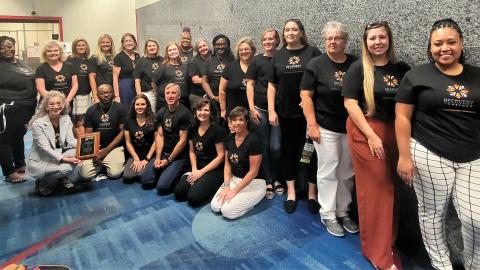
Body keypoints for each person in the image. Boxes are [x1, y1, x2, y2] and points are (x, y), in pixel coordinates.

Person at [396, 18, 480, 270]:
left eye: (451, 42)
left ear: (461, 43)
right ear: (430, 47)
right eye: (438, 43)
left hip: (473, 157)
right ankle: (440, 263)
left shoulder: (477, 75)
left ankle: (473, 265)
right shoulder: (416, 76)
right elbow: (402, 117)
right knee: (432, 213)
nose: (445, 48)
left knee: (474, 218)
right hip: (428, 153)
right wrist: (403, 157)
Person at [342, 21, 410, 270]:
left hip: (394, 130)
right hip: (365, 131)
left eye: (382, 37)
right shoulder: (358, 69)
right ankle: (377, 253)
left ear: (389, 40)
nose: (377, 42)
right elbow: (350, 104)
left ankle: (388, 243)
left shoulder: (401, 69)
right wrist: (371, 136)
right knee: (378, 190)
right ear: (365, 42)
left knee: (392, 189)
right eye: (372, 38)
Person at [300, 21, 358, 237]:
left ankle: (343, 212)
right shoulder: (316, 64)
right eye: (329, 39)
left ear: (345, 41)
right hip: (324, 127)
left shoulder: (355, 64)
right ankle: (329, 214)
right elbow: (305, 96)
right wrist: (312, 125)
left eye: (337, 38)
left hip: (350, 128)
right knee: (328, 171)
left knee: (347, 172)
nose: (333, 42)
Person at [267, 19, 321, 213]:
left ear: (301, 32)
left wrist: (309, 101)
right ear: (284, 34)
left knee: (309, 153)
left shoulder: (312, 52)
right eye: (287, 29)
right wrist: (271, 110)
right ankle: (291, 192)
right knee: (288, 152)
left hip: (308, 115)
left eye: (294, 29)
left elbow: (320, 80)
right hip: (286, 114)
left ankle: (312, 194)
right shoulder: (278, 55)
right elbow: (272, 85)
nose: (290, 32)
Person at [211, 106, 266, 219]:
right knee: (215, 207)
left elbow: (253, 172)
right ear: (230, 121)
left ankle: (251, 204)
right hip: (234, 179)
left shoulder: (254, 140)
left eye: (241, 120)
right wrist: (226, 186)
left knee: (227, 212)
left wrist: (234, 191)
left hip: (254, 183)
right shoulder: (229, 139)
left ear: (246, 122)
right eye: (234, 120)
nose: (237, 123)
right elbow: (227, 164)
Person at [246, 28, 282, 199]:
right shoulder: (256, 61)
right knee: (264, 146)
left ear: (277, 41)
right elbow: (250, 85)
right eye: (265, 39)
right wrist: (252, 108)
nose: (268, 42)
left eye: (271, 39)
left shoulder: (282, 58)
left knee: (276, 147)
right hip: (260, 109)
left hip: (279, 110)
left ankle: (278, 176)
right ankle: (270, 179)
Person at [26, 91, 81, 195]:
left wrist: (89, 145)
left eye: (59, 103)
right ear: (46, 107)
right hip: (43, 159)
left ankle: (59, 178)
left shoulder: (66, 118)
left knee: (77, 151)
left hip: (57, 154)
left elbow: (70, 140)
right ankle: (43, 182)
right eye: (52, 104)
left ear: (63, 104)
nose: (56, 106)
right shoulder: (38, 123)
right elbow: (45, 148)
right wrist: (64, 158)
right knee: (66, 169)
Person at [174, 99, 225, 206]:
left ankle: (215, 185)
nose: (202, 113)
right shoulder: (192, 127)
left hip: (214, 169)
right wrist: (194, 169)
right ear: (195, 111)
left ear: (211, 112)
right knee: (179, 192)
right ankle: (200, 183)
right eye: (200, 109)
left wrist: (201, 173)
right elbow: (192, 151)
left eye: (206, 110)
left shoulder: (218, 130)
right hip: (198, 166)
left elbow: (221, 156)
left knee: (193, 199)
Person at [0, 36, 37, 183]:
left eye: (9, 46)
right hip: (9, 106)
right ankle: (9, 172)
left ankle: (20, 164)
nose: (6, 50)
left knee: (18, 134)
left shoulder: (20, 62)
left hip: (26, 106)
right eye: (2, 47)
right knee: (5, 139)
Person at [142, 83, 191, 192]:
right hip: (164, 153)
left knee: (162, 187)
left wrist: (168, 161)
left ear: (179, 96)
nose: (170, 96)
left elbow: (182, 142)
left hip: (179, 156)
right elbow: (160, 136)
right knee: (145, 180)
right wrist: (158, 157)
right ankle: (165, 171)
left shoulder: (185, 114)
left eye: (173, 93)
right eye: (167, 93)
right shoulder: (161, 112)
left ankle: (179, 171)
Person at [78, 84, 126, 181]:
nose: (106, 95)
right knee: (85, 176)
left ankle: (105, 164)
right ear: (97, 95)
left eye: (108, 92)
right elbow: (88, 135)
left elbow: (123, 132)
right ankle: (102, 164)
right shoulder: (91, 111)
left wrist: (107, 150)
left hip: (114, 148)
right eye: (102, 93)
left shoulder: (120, 109)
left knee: (114, 174)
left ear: (113, 94)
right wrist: (94, 153)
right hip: (97, 149)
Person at [219, 37, 255, 119]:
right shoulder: (230, 66)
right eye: (240, 50)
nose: (243, 52)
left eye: (246, 49)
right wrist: (223, 109)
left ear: (252, 50)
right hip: (234, 113)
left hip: (253, 113)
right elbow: (222, 89)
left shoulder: (257, 65)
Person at [123, 94, 156, 183]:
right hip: (135, 155)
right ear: (134, 106)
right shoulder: (128, 120)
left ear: (147, 105)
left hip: (150, 155)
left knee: (142, 176)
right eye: (137, 104)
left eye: (143, 104)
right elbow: (128, 142)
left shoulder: (153, 120)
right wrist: (136, 159)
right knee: (128, 176)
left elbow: (156, 142)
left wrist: (147, 160)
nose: (140, 107)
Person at [35, 40, 78, 105]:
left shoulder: (69, 66)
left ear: (60, 52)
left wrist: (67, 101)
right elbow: (41, 89)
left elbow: (75, 85)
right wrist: (56, 103)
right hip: (49, 104)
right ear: (45, 53)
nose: (53, 53)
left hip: (67, 103)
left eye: (56, 50)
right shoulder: (41, 69)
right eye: (49, 51)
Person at [201, 34, 235, 112]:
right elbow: (205, 81)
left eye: (223, 44)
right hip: (213, 99)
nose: (220, 46)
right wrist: (213, 97)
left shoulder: (234, 61)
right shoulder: (208, 62)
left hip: (231, 99)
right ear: (214, 46)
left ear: (228, 45)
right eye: (217, 45)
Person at [66, 38, 92, 136]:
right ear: (74, 47)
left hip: (87, 93)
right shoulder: (69, 60)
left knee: (85, 119)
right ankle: (79, 143)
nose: (81, 47)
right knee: (77, 120)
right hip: (75, 94)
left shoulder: (89, 60)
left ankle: (86, 143)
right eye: (78, 45)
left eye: (83, 45)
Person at [155, 42, 190, 110]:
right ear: (167, 53)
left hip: (183, 102)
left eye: (174, 49)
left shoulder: (185, 66)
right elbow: (154, 82)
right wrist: (160, 94)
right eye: (170, 50)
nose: (172, 52)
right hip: (165, 103)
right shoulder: (163, 66)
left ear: (178, 51)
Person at [134, 38, 164, 113]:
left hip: (161, 93)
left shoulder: (162, 60)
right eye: (149, 46)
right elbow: (137, 80)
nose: (152, 47)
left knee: (162, 113)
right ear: (146, 49)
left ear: (157, 47)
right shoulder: (141, 61)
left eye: (154, 45)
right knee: (151, 113)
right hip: (148, 93)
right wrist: (139, 97)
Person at [113, 33, 140, 107]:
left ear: (134, 43)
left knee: (136, 107)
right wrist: (117, 96)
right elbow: (115, 77)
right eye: (126, 41)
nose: (129, 43)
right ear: (123, 44)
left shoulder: (137, 56)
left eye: (131, 41)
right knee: (127, 108)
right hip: (125, 87)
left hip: (137, 85)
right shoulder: (119, 57)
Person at [89, 34, 116, 103]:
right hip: (101, 92)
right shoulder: (94, 58)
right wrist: (95, 96)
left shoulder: (115, 57)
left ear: (111, 43)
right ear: (99, 44)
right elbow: (92, 78)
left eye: (108, 42)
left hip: (113, 92)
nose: (105, 44)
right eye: (103, 42)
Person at [188, 38, 211, 108]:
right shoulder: (193, 61)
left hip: (212, 93)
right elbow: (195, 80)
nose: (203, 48)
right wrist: (213, 80)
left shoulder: (214, 57)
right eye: (200, 47)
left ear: (208, 46)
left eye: (204, 45)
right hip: (198, 95)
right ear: (197, 50)